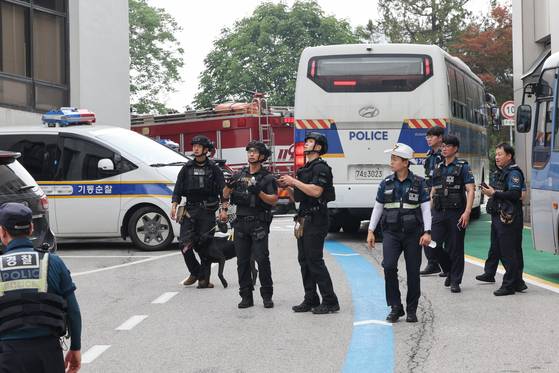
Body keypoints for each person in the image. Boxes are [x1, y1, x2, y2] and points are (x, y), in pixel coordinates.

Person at [0, 202, 82, 373]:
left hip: (8, 355)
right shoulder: (53, 262)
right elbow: (73, 310)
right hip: (49, 354)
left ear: (2, 232)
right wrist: (75, 347)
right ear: (31, 228)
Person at [366, 143, 432, 323]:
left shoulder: (419, 183)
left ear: (405, 163)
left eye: (395, 159)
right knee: (388, 267)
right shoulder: (386, 183)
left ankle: (412, 309)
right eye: (392, 159)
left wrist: (427, 232)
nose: (391, 162)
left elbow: (426, 209)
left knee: (412, 273)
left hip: (413, 234)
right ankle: (396, 307)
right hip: (391, 233)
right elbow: (378, 207)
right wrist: (371, 230)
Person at [279, 132, 340, 315]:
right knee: (304, 260)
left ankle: (330, 301)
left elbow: (316, 192)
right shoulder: (305, 169)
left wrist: (293, 181)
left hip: (317, 219)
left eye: (310, 142)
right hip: (304, 218)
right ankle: (311, 298)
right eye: (306, 142)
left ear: (318, 147)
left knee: (315, 260)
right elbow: (298, 198)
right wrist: (287, 187)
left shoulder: (321, 168)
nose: (306, 144)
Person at [221, 141, 278, 309]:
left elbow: (274, 200)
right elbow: (225, 195)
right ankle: (246, 296)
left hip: (259, 223)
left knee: (262, 259)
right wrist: (228, 186)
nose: (251, 154)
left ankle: (267, 296)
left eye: (255, 152)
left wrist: (258, 192)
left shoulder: (267, 177)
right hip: (240, 223)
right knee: (242, 261)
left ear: (262, 156)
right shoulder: (239, 175)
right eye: (249, 152)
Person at [171, 135, 225, 288]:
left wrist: (224, 209)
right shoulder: (186, 168)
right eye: (194, 145)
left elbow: (223, 191)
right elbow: (177, 189)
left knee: (204, 246)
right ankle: (196, 272)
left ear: (206, 150)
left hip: (207, 212)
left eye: (199, 146)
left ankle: (204, 279)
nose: (195, 148)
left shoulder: (214, 169)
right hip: (189, 211)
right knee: (184, 244)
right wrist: (174, 205)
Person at [477, 143, 526, 295]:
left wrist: (494, 194)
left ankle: (509, 285)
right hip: (499, 216)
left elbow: (515, 194)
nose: (497, 157)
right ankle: (518, 282)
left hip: (509, 218)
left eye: (500, 154)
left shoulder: (513, 173)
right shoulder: (501, 172)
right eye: (496, 154)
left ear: (509, 156)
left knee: (509, 251)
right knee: (499, 247)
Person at [431, 135, 475, 293]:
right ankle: (448, 269)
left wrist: (467, 212)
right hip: (439, 212)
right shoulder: (437, 166)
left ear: (455, 149)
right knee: (432, 245)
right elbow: (434, 190)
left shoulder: (463, 166)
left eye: (447, 146)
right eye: (443, 146)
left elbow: (470, 190)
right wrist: (429, 211)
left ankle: (455, 280)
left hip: (456, 213)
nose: (444, 148)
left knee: (456, 247)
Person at [420, 126, 445, 276]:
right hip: (429, 195)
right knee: (426, 228)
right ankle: (432, 262)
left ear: (440, 138)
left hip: (440, 197)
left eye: (431, 136)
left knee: (438, 232)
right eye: (427, 137)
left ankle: (441, 263)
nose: (428, 139)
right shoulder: (430, 155)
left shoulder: (444, 155)